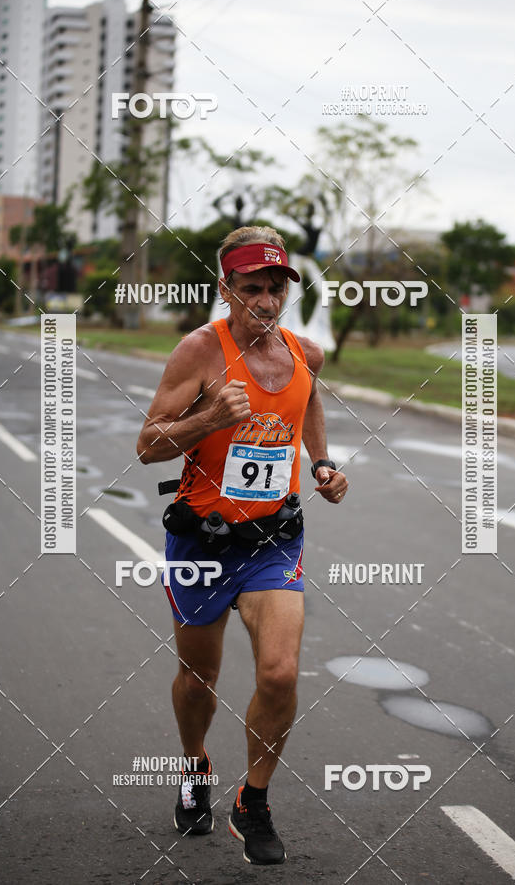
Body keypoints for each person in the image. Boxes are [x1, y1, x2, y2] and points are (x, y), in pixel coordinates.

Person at [137, 225, 348, 865]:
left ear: (288, 288)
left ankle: (251, 800)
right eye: (250, 287)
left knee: (280, 672)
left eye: (274, 287)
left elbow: (307, 405)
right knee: (199, 677)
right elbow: (148, 446)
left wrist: (321, 465)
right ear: (226, 287)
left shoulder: (304, 351)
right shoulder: (198, 352)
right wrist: (208, 419)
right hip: (203, 540)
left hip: (273, 541)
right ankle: (196, 765)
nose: (264, 300)